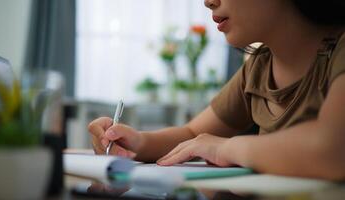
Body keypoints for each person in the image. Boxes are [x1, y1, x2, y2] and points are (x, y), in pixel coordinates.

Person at [89, 0, 345, 180]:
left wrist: (225, 148)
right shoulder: (258, 67)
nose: (208, 2)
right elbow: (194, 134)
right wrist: (137, 142)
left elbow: (333, 149)